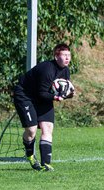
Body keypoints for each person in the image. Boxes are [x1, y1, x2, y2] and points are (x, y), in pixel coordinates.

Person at [13, 43, 73, 171]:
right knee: (31, 130)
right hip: (25, 96)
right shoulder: (47, 69)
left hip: (43, 98)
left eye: (69, 55)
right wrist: (57, 97)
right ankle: (30, 155)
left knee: (47, 128)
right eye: (64, 55)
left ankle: (46, 164)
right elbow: (42, 93)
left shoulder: (66, 71)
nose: (67, 58)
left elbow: (62, 90)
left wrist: (68, 93)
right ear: (56, 57)